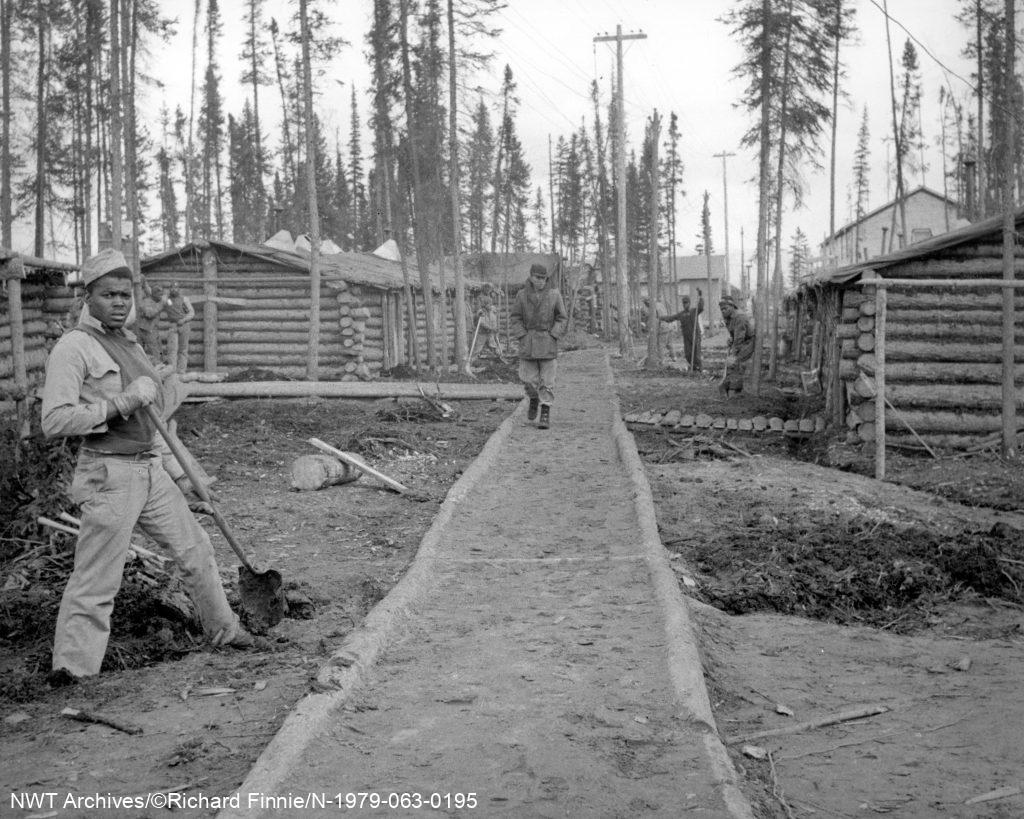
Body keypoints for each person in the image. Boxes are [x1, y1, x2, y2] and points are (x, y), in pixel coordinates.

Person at [41, 248, 252, 685]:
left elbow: (151, 424)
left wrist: (182, 478)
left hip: (149, 469)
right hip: (108, 474)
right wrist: (121, 401)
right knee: (97, 581)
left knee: (196, 551)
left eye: (125, 294)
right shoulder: (74, 348)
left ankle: (225, 632)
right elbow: (55, 420)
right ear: (88, 297)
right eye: (109, 295)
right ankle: (73, 673)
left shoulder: (131, 342)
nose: (119, 302)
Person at [509, 263, 568, 430]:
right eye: (537, 278)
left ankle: (545, 411)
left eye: (543, 278)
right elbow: (515, 318)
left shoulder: (554, 295)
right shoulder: (521, 295)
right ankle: (534, 398)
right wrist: (522, 335)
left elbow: (562, 317)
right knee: (527, 379)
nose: (541, 281)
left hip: (547, 341)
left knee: (547, 381)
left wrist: (554, 334)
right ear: (530, 277)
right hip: (528, 342)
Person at [718, 295, 756, 398]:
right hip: (740, 340)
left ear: (732, 306)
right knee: (731, 362)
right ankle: (731, 385)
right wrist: (731, 340)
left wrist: (733, 354)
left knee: (736, 361)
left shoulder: (740, 317)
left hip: (749, 341)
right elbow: (734, 334)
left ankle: (734, 390)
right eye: (721, 309)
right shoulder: (727, 317)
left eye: (725, 308)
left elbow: (739, 337)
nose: (723, 311)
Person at [661, 290, 704, 372]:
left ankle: (700, 369)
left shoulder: (694, 311)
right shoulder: (681, 314)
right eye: (684, 303)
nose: (685, 305)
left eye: (687, 303)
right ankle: (694, 367)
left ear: (689, 303)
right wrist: (661, 318)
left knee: (697, 354)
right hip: (687, 337)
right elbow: (670, 318)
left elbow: (701, 307)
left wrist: (700, 296)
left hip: (696, 336)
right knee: (688, 354)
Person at [163, 281, 195, 374]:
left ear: (179, 289)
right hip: (173, 326)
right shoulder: (167, 300)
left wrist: (184, 320)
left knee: (183, 350)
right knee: (172, 349)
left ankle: (181, 371)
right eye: (172, 287)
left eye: (176, 288)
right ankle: (172, 371)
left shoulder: (184, 299)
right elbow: (157, 296)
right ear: (169, 289)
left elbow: (192, 313)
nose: (174, 289)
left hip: (184, 326)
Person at [134, 282, 166, 361]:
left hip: (153, 329)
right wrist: (162, 304)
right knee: (154, 351)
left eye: (162, 294)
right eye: (160, 294)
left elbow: (171, 305)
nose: (161, 297)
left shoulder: (158, 301)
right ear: (154, 294)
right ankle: (156, 366)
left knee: (159, 350)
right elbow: (149, 314)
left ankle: (160, 365)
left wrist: (169, 301)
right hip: (145, 330)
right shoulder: (146, 302)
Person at [471, 292, 505, 362]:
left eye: (491, 304)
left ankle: (500, 357)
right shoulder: (481, 312)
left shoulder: (492, 311)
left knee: (494, 346)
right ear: (485, 305)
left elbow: (494, 320)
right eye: (488, 304)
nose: (490, 305)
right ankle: (472, 361)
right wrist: (491, 328)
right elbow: (482, 322)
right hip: (482, 334)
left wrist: (495, 328)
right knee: (478, 348)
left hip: (490, 333)